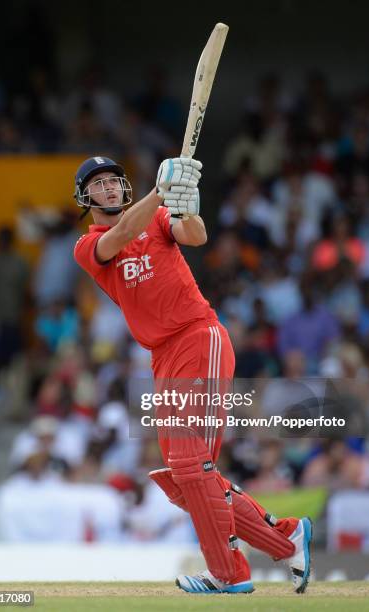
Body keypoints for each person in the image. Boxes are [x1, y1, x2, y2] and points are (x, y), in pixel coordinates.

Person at [73, 155, 312, 595]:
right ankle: (285, 538)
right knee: (183, 480)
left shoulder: (159, 215)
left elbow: (195, 236)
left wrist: (186, 207)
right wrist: (161, 191)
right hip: (162, 356)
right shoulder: (88, 246)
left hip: (198, 336)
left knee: (189, 465)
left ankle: (227, 573)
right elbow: (122, 233)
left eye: (113, 181)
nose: (107, 188)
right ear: (84, 196)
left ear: (124, 188)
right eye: (98, 184)